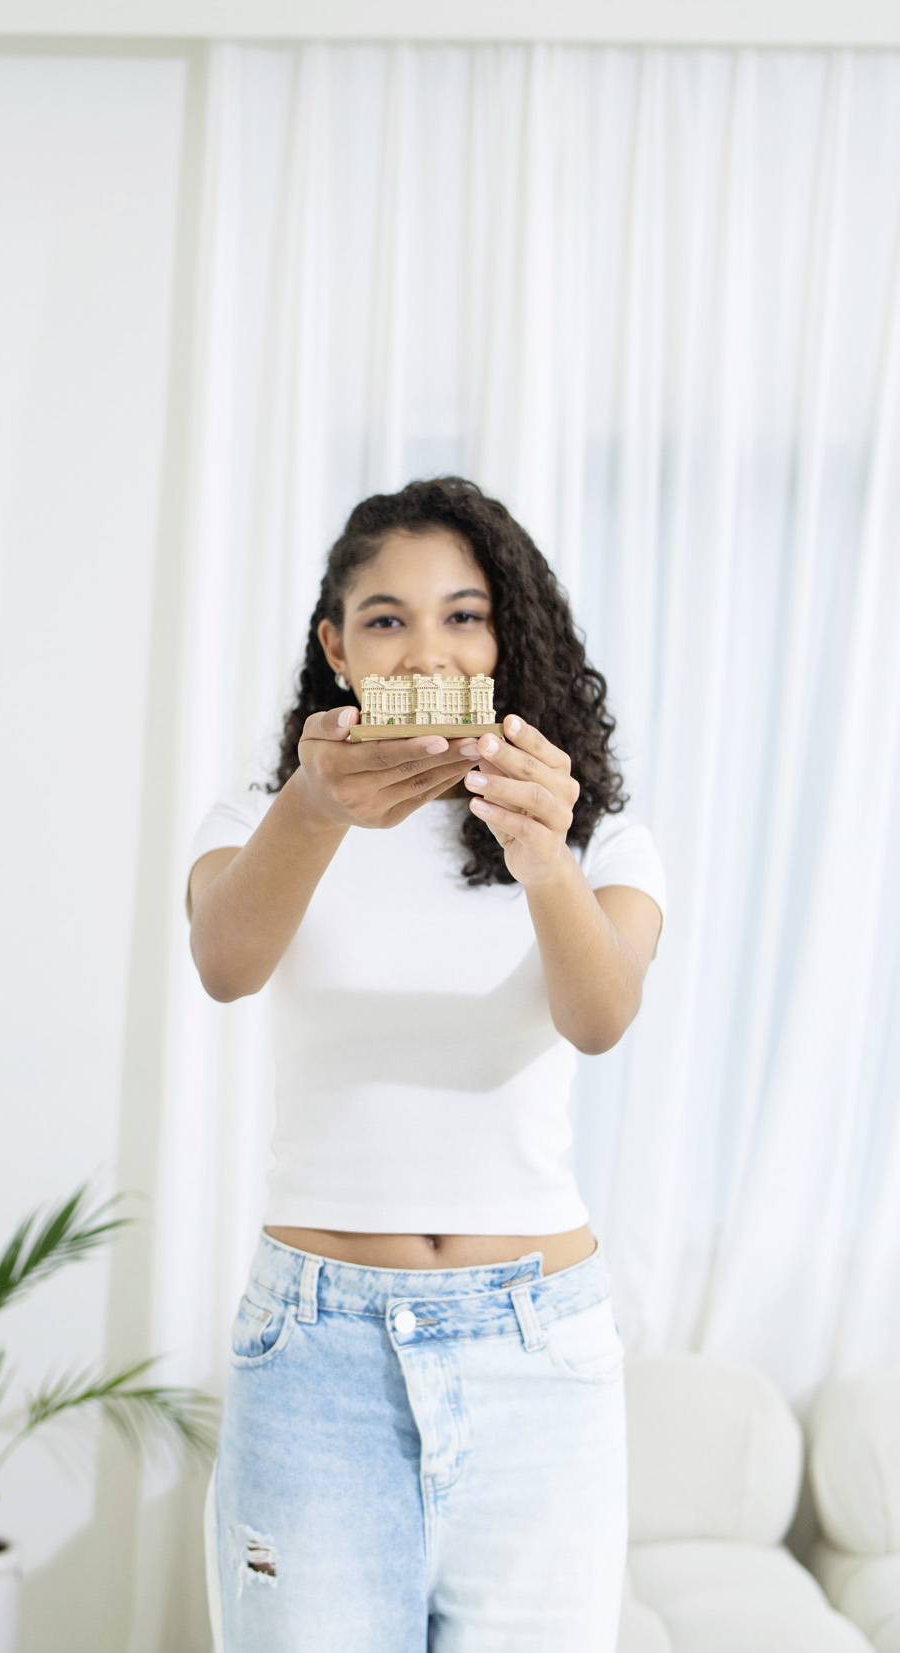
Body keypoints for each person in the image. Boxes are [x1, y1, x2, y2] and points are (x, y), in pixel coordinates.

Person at [185, 476, 667, 1650]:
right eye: (386, 618)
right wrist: (314, 805)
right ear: (336, 649)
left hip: (534, 1348)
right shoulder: (261, 816)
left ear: (504, 637)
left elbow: (598, 1016)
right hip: (314, 1351)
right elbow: (224, 963)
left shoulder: (594, 831)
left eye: (461, 613)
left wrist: (542, 854)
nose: (425, 645)